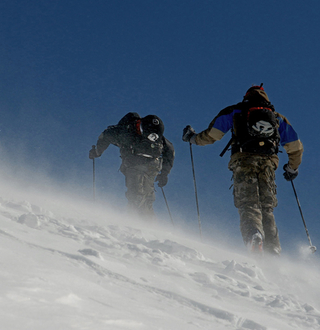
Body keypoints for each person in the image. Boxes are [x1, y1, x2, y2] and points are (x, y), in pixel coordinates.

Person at [182, 85, 303, 255]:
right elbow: (295, 147)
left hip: (244, 161)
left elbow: (212, 135)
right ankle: (273, 247)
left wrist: (192, 138)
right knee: (266, 207)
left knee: (249, 204)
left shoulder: (235, 111)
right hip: (268, 164)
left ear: (246, 96)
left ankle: (254, 236)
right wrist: (292, 168)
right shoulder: (277, 118)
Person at [90, 113, 175, 218]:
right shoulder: (149, 132)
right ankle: (148, 224)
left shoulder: (123, 131)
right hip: (152, 165)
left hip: (135, 164)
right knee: (147, 197)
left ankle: (133, 221)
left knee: (136, 194)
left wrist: (97, 152)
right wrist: (164, 174)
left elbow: (105, 136)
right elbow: (170, 151)